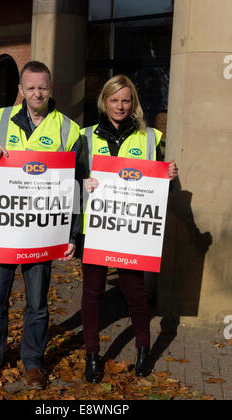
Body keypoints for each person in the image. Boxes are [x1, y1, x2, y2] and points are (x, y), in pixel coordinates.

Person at [0, 61, 81, 389]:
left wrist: (71, 233)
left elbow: (74, 185)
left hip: (43, 231)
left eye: (42, 87)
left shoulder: (67, 129)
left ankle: (32, 363)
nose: (36, 93)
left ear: (51, 88)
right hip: (2, 227)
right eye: (30, 87)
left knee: (37, 303)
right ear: (20, 89)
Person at [80, 74, 178, 382]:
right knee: (92, 292)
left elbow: (161, 190)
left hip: (131, 231)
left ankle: (143, 349)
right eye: (114, 100)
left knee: (134, 291)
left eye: (125, 100)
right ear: (104, 101)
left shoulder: (150, 137)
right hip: (97, 227)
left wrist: (169, 178)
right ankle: (92, 355)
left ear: (132, 102)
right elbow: (70, 182)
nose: (120, 106)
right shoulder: (85, 137)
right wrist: (84, 185)